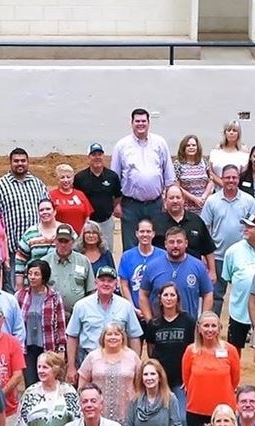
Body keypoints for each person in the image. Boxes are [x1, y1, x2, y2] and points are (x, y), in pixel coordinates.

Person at [65, 267, 143, 370]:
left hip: (119, 362)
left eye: (110, 281)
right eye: (102, 280)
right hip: (88, 362)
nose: (106, 284)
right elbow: (72, 336)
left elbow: (134, 337)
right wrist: (71, 367)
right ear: (95, 283)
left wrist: (136, 366)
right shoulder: (81, 306)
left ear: (116, 284)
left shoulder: (126, 306)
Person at [112, 110, 172, 240]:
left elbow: (169, 175)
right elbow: (115, 178)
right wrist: (116, 204)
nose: (141, 124)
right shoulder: (121, 146)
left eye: (143, 121)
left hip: (156, 205)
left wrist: (167, 200)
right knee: (130, 243)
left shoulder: (160, 143)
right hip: (130, 206)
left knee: (157, 241)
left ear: (148, 123)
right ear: (131, 123)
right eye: (137, 121)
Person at [181, 314, 241, 426]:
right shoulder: (190, 351)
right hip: (196, 410)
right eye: (206, 325)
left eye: (213, 326)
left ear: (219, 328)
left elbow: (235, 380)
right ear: (199, 328)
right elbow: (186, 379)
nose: (210, 329)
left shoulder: (231, 351)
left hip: (224, 412)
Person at [222, 215, 255, 349]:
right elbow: (228, 277)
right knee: (234, 348)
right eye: (245, 226)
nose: (245, 229)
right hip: (238, 310)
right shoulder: (232, 251)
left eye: (250, 227)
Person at [123, 360, 183, 426]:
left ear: (160, 377)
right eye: (145, 374)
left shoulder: (170, 399)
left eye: (152, 374)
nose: (149, 377)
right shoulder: (134, 401)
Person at [74, 143, 123, 249]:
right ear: (88, 157)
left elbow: (118, 195)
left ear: (103, 156)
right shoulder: (80, 177)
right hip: (87, 222)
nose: (97, 157)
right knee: (85, 249)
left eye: (99, 154)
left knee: (106, 250)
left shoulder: (112, 176)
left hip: (106, 221)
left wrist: (115, 207)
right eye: (94, 155)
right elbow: (76, 197)